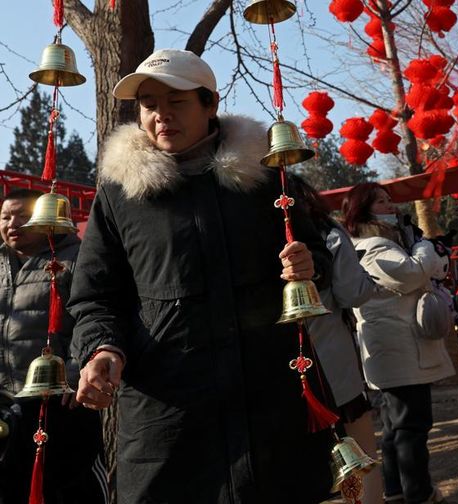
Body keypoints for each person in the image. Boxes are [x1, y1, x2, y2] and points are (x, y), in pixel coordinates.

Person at [67, 49, 335, 503]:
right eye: (150, 104)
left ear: (210, 103)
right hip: (167, 411)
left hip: (267, 398)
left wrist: (308, 266)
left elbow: (317, 260)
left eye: (177, 102)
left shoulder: (265, 178)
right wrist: (101, 348)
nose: (161, 116)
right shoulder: (118, 194)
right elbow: (94, 294)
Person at [342, 183, 454, 504]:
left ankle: (395, 491)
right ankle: (419, 495)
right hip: (399, 348)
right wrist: (425, 247)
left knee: (396, 428)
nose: (390, 205)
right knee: (411, 428)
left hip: (393, 348)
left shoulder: (369, 244)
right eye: (381, 201)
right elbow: (410, 274)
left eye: (389, 200)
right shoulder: (374, 245)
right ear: (363, 209)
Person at [0, 189, 107, 503]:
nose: (12, 223)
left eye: (23, 215)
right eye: (5, 216)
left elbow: (94, 318)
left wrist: (75, 377)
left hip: (63, 399)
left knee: (69, 487)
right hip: (6, 400)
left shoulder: (75, 258)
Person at [290, 176, 383, 504]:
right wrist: (369, 281)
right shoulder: (327, 233)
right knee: (360, 456)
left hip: (281, 369)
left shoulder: (253, 239)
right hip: (332, 365)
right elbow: (350, 291)